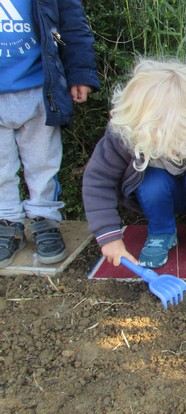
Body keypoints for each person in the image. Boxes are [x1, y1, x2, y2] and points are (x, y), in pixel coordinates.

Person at [83, 59, 186, 269]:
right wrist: (109, 237)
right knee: (152, 181)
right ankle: (162, 232)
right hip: (157, 195)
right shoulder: (124, 135)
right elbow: (97, 182)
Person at [0, 0, 100, 268]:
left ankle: (44, 218)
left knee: (42, 160)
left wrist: (80, 74)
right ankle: (7, 221)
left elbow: (72, 24)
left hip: (39, 87)